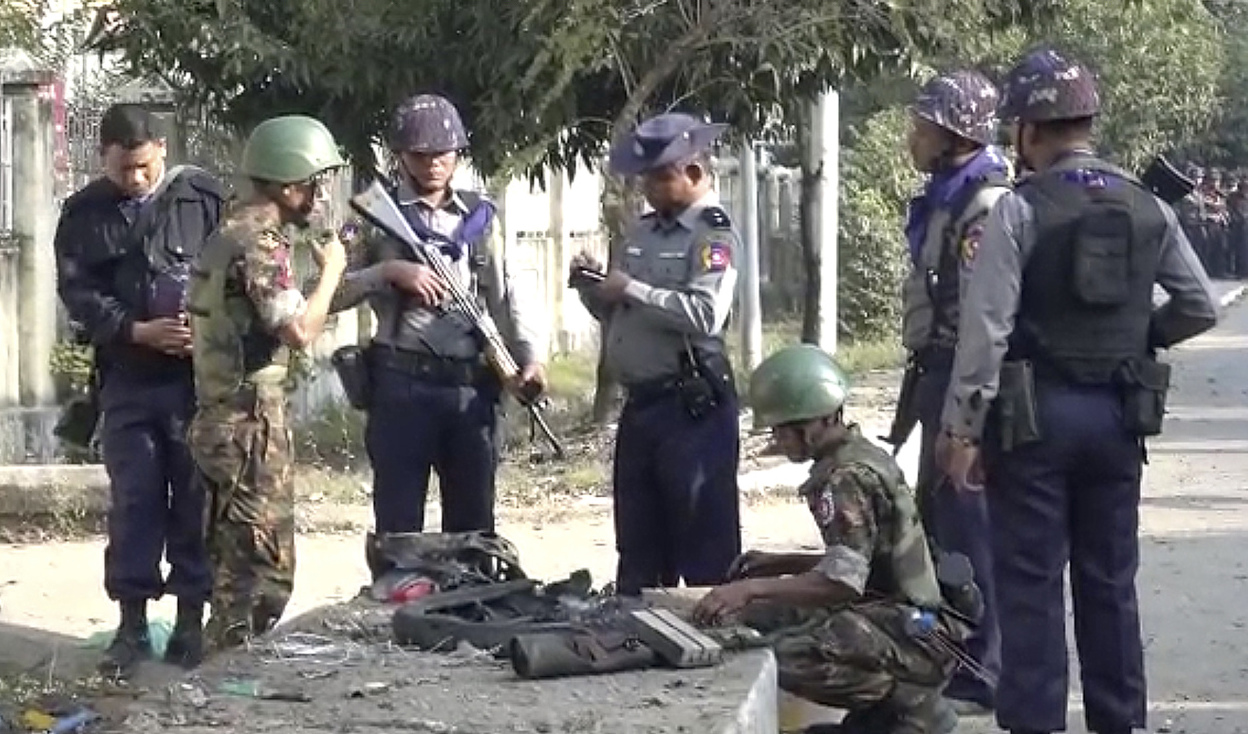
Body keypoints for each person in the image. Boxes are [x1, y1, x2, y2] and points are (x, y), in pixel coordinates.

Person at [938, 48, 1219, 734]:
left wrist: (961, 431)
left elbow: (987, 330)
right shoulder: (1149, 205)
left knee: (1031, 587)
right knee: (1110, 586)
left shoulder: (1019, 210)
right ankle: (1119, 723)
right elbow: (1199, 304)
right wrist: (1138, 337)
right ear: (1087, 123)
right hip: (1119, 418)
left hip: (1030, 421)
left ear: (1028, 131)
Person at [693, 345, 965, 734]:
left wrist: (751, 589)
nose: (778, 441)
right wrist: (780, 564)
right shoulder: (861, 454)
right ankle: (880, 716)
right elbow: (862, 559)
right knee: (762, 620)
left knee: (777, 656)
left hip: (912, 631)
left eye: (783, 430)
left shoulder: (843, 479)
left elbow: (841, 583)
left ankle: (911, 707)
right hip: (910, 618)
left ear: (814, 422)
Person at [54, 103, 225, 675]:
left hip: (193, 384)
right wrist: (135, 329)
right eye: (125, 168)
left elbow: (234, 275)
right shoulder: (83, 216)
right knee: (135, 503)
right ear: (102, 156)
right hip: (127, 381)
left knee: (194, 502)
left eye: (146, 167)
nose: (137, 179)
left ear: (163, 153)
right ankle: (130, 626)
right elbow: (78, 295)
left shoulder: (200, 199)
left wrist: (205, 331)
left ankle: (189, 622)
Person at [327, 93, 546, 540]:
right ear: (401, 157)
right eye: (420, 156)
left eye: (443, 155)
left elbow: (509, 295)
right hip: (401, 385)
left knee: (473, 531)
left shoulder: (481, 217)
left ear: (459, 156)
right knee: (399, 527)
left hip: (470, 387)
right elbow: (330, 294)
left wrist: (530, 358)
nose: (432, 166)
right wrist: (388, 272)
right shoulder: (371, 215)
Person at [186, 115, 349, 651]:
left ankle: (217, 679)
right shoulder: (261, 243)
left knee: (234, 563)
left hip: (224, 417)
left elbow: (268, 312)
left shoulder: (229, 232)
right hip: (247, 423)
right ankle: (223, 686)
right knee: (262, 575)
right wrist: (332, 273)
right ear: (288, 182)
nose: (320, 194)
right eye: (314, 182)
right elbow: (300, 330)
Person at [571, 112, 741, 596]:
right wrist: (593, 288)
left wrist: (636, 289)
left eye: (661, 177)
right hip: (641, 404)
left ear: (695, 173)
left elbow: (705, 313)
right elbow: (623, 313)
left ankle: (717, 635)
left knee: (702, 531)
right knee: (640, 534)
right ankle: (638, 629)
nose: (650, 188)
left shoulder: (713, 234)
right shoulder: (642, 232)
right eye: (646, 178)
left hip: (691, 404)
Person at [895, 69, 1010, 715]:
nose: (913, 135)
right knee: (937, 527)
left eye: (923, 124)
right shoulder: (946, 196)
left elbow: (982, 320)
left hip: (963, 380)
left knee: (972, 530)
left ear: (954, 132)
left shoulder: (982, 207)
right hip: (933, 371)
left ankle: (986, 669)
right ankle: (951, 655)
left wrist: (964, 422)